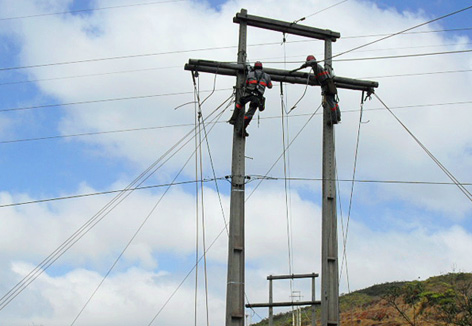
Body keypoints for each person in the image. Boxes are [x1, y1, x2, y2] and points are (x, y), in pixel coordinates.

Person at [228, 61, 272, 137]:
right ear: (262, 68)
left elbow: (245, 84)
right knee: (249, 113)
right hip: (257, 97)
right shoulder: (266, 76)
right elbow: (270, 86)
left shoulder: (250, 74)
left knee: (239, 104)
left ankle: (233, 118)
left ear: (254, 67)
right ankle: (242, 130)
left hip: (248, 94)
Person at [299, 55, 341, 125]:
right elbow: (318, 78)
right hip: (330, 86)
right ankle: (338, 116)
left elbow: (313, 63)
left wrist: (305, 65)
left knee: (331, 103)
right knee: (334, 101)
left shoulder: (316, 66)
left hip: (327, 87)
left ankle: (334, 119)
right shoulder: (319, 68)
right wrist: (307, 76)